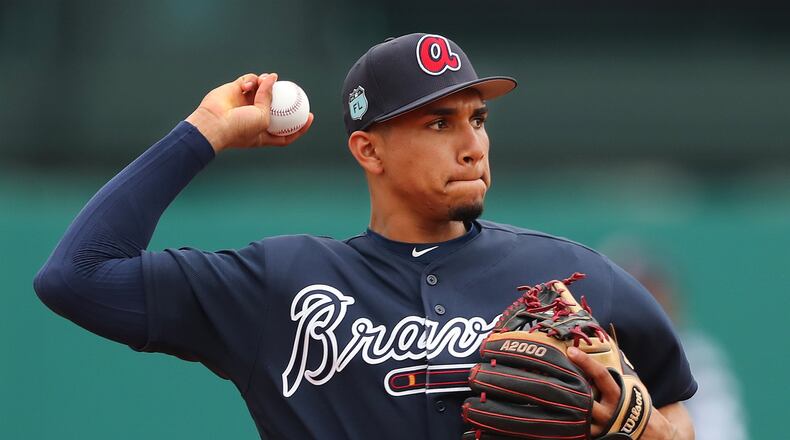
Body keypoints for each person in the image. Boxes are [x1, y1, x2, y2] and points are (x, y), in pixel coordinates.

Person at [34, 33, 697, 439]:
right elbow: (77, 276)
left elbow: (675, 410)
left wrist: (657, 434)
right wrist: (205, 132)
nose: (472, 145)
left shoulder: (568, 274)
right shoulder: (280, 285)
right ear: (368, 150)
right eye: (439, 123)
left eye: (478, 119)